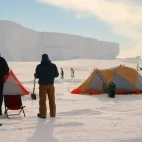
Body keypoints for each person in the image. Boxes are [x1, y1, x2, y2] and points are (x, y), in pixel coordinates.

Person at [34, 54, 59, 118]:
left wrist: (35, 75)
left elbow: (37, 76)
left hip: (42, 85)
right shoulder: (53, 66)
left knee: (42, 100)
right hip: (51, 85)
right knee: (52, 99)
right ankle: (53, 114)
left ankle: (43, 114)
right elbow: (56, 75)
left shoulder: (39, 66)